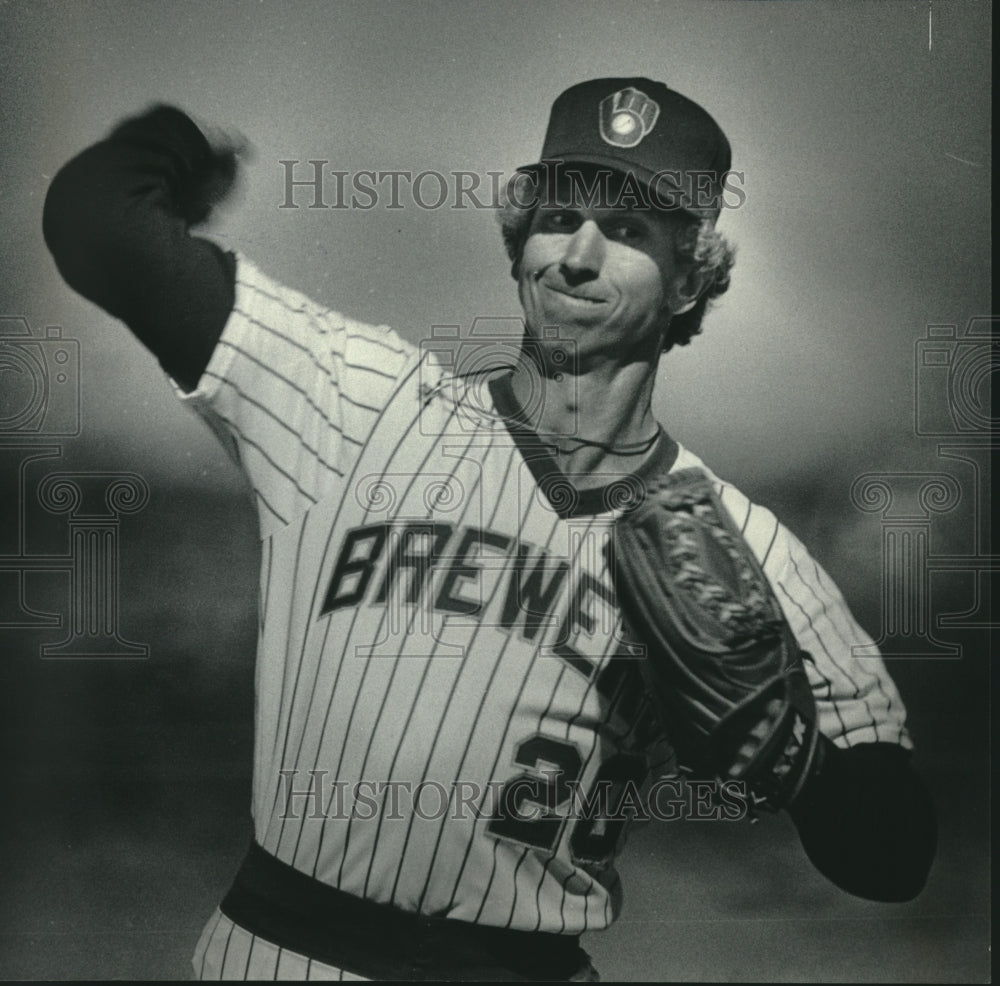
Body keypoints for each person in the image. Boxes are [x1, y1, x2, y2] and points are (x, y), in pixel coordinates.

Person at [43, 77, 935, 982]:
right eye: (558, 218)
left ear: (690, 277)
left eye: (628, 230)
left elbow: (897, 853)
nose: (577, 256)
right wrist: (179, 144)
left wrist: (799, 762)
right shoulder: (360, 404)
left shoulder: (748, 550)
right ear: (518, 242)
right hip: (281, 954)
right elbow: (96, 221)